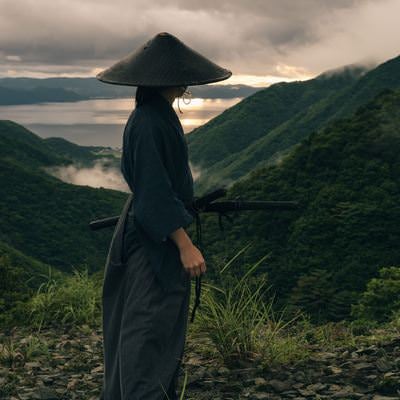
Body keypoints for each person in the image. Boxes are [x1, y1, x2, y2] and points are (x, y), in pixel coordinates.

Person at [96, 32, 231, 399]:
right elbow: (153, 193)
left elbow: (159, 187)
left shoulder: (156, 114)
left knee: (150, 324)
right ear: (170, 79)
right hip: (152, 238)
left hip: (150, 227)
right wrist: (185, 244)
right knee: (147, 326)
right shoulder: (148, 121)